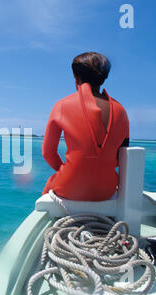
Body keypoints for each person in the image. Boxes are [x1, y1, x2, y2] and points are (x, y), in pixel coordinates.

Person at [42, 52, 130, 201]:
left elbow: (48, 153)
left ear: (76, 78)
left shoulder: (62, 105)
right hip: (106, 189)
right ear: (103, 79)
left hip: (69, 187)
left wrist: (70, 171)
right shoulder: (121, 110)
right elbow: (121, 155)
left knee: (48, 188)